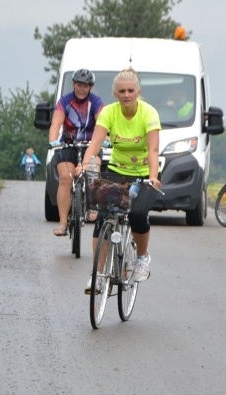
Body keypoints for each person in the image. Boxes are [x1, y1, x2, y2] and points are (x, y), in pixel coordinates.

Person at [78, 67, 162, 294]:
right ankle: (96, 275)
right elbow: (95, 144)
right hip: (116, 171)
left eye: (131, 90)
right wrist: (84, 166)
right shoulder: (108, 112)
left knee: (136, 214)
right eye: (122, 91)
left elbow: (153, 150)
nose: (126, 94)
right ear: (115, 93)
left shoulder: (149, 113)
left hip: (144, 173)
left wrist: (153, 177)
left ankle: (142, 258)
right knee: (102, 215)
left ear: (138, 92)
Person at [48, 68, 104, 236]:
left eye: (85, 86)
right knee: (65, 178)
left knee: (94, 170)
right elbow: (56, 123)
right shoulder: (64, 101)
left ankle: (92, 206)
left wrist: (105, 138)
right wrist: (53, 141)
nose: (81, 89)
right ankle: (63, 223)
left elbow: (102, 122)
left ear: (90, 87)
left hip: (91, 144)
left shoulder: (96, 102)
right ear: (73, 84)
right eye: (79, 85)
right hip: (68, 145)